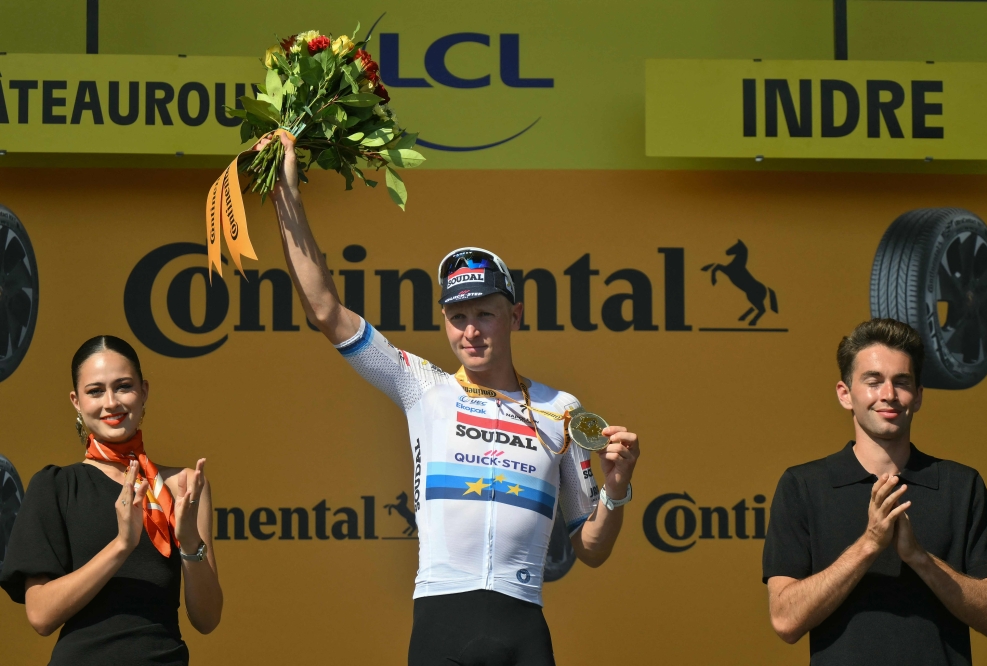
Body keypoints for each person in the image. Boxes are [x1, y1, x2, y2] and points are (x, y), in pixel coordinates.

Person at [262, 132, 640, 665]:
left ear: (515, 316)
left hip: (524, 630)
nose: (471, 331)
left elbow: (591, 547)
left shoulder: (563, 409)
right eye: (458, 317)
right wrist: (286, 193)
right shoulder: (424, 386)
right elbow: (326, 310)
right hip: (442, 624)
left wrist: (617, 489)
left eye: (485, 313)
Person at [763, 318, 987, 665]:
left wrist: (920, 558)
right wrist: (869, 544)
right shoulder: (803, 486)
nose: (888, 394)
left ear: (918, 396)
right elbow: (785, 620)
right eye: (873, 381)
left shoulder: (961, 486)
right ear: (845, 394)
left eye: (901, 382)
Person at [0, 336, 222, 665]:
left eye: (123, 387)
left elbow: (207, 618)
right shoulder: (56, 487)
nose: (111, 402)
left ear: (143, 391)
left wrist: (190, 542)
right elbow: (41, 615)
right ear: (76, 401)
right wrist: (121, 545)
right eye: (95, 391)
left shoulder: (184, 486)